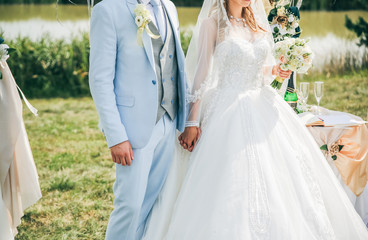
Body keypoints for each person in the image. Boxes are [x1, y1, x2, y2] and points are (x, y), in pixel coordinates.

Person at [142, 0, 368, 239]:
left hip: (263, 105)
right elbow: (202, 74)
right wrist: (192, 122)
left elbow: (256, 65)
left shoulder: (257, 22)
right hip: (226, 108)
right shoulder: (213, 23)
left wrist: (275, 70)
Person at [88, 0, 188, 238]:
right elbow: (100, 80)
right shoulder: (107, 10)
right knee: (130, 206)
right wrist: (116, 136)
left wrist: (186, 117)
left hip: (168, 119)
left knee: (152, 203)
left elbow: (174, 62)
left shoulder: (169, 7)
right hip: (132, 128)